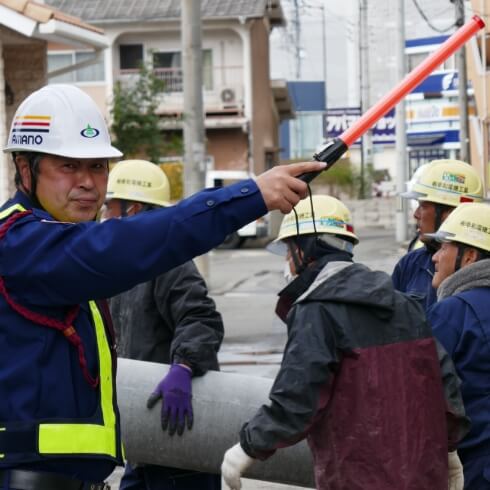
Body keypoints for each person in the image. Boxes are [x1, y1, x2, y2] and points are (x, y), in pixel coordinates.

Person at [0, 83, 325, 490]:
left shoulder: (54, 244)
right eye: (68, 166)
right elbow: (130, 244)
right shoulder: (19, 243)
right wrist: (251, 196)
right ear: (25, 169)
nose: (87, 182)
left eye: (98, 167)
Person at [221, 194, 470, 490]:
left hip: (357, 478)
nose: (287, 262)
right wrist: (450, 446)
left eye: (289, 250)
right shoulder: (402, 304)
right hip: (424, 476)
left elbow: (298, 397)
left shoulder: (317, 309)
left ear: (305, 249)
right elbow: (444, 382)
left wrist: (248, 446)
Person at [102, 159, 223, 490]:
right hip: (146, 438)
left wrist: (183, 366)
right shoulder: (124, 266)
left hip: (180, 437)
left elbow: (201, 319)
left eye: (110, 207)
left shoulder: (169, 262)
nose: (104, 217)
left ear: (133, 209)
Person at [425, 202, 490, 489]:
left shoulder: (454, 312)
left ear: (469, 256)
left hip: (476, 467)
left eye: (443, 248)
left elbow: (421, 392)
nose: (435, 258)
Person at [392, 159, 484, 311]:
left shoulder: (483, 266)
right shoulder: (410, 264)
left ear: (450, 214)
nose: (416, 214)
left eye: (423, 206)